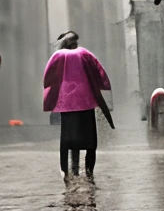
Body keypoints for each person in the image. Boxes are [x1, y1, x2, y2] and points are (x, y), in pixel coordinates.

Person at [43, 31, 112, 182]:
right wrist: (102, 88)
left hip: (67, 104)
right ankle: (89, 173)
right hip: (86, 102)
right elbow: (100, 73)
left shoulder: (58, 56)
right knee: (90, 141)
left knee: (70, 139)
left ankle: (72, 172)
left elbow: (48, 77)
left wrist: (52, 94)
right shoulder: (85, 54)